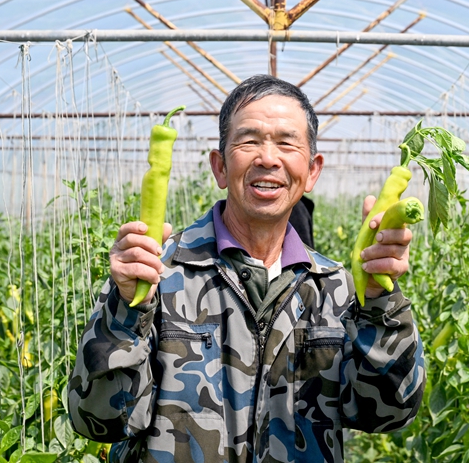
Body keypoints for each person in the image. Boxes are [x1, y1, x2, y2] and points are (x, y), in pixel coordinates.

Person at [68, 75, 425, 462]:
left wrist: (379, 303)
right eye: (249, 140)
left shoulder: (335, 288)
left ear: (312, 171)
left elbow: (388, 413)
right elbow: (97, 420)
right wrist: (125, 311)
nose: (268, 158)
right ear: (220, 168)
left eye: (286, 142)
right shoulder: (156, 274)